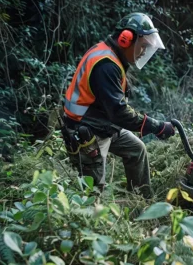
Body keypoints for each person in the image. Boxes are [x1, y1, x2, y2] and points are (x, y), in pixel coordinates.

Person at [62, 13, 175, 198]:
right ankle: (89, 219)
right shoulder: (106, 65)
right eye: (143, 46)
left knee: (136, 150)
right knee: (93, 193)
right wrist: (157, 126)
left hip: (102, 122)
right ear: (126, 39)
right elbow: (119, 112)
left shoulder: (111, 56)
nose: (144, 52)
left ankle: (141, 202)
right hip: (87, 132)